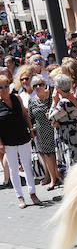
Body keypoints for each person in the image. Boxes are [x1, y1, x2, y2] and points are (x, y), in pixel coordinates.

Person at [0, 75, 41, 208]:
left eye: (6, 86)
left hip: (23, 137)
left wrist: (31, 130)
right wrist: (0, 144)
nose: (4, 89)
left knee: (27, 166)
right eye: (1, 87)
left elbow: (25, 114)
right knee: (13, 169)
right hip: (8, 141)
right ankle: (20, 197)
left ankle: (32, 193)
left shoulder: (16, 98)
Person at [28, 76, 62, 189]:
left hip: (54, 129)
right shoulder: (32, 100)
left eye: (40, 84)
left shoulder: (51, 97)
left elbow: (59, 109)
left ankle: (57, 177)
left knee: (55, 154)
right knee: (47, 155)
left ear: (45, 85)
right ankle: (53, 178)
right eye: (35, 85)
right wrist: (32, 131)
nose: (38, 87)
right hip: (40, 131)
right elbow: (30, 116)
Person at [49, 72, 77, 171]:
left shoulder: (63, 102)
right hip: (76, 131)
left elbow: (51, 117)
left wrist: (54, 101)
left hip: (69, 134)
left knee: (72, 162)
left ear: (58, 88)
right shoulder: (73, 97)